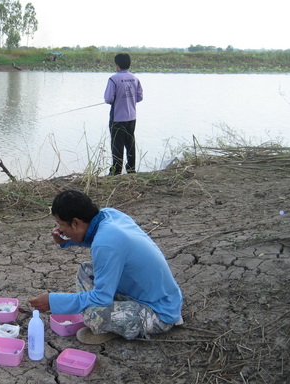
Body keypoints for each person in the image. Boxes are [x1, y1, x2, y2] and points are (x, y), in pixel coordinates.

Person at [29, 190, 183, 345]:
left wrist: (52, 301)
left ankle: (116, 327)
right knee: (86, 271)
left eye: (61, 224)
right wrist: (66, 240)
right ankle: (117, 320)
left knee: (91, 314)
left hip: (159, 311)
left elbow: (101, 297)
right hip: (152, 294)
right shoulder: (109, 215)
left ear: (76, 222)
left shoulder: (105, 243)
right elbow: (96, 239)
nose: (60, 229)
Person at [104, 53, 143, 176]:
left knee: (117, 145)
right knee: (130, 143)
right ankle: (131, 170)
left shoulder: (113, 79)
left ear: (117, 65)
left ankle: (116, 172)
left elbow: (108, 99)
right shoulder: (135, 78)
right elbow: (139, 97)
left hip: (117, 118)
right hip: (132, 117)